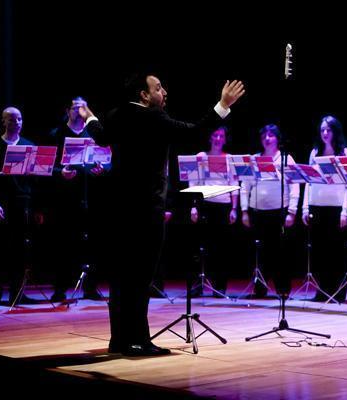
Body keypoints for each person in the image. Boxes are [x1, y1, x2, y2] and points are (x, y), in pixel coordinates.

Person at [85, 73, 244, 356]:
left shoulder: (117, 114)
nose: (164, 92)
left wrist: (89, 118)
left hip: (118, 210)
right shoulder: (153, 118)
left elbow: (101, 136)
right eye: (158, 88)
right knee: (141, 277)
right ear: (144, 95)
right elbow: (194, 133)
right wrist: (223, 105)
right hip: (146, 210)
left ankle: (119, 340)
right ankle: (138, 341)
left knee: (121, 277)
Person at [47, 97, 107, 302]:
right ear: (67, 111)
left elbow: (106, 160)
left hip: (91, 195)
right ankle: (60, 288)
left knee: (93, 243)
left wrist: (102, 169)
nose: (79, 111)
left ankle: (91, 287)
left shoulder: (93, 132)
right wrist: (60, 173)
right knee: (64, 243)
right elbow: (47, 165)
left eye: (83, 108)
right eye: (75, 108)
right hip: (65, 197)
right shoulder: (57, 134)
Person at [240, 124, 299, 296]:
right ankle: (260, 289)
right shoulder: (254, 159)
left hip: (279, 211)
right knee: (260, 252)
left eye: (271, 135)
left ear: (277, 139)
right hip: (257, 212)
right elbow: (245, 186)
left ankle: (283, 290)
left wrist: (292, 212)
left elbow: (294, 185)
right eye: (264, 136)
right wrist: (244, 211)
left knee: (280, 252)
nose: (267, 138)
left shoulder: (286, 158)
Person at [302, 115, 347, 303]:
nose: (325, 133)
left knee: (336, 252)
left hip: (337, 209)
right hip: (317, 207)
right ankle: (322, 291)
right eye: (322, 130)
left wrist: (346, 210)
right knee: (319, 252)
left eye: (328, 130)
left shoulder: (345, 153)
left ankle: (338, 293)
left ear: (335, 131)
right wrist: (305, 207)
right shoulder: (315, 153)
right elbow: (308, 181)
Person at [0, 107, 42, 306]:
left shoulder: (28, 145)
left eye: (19, 119)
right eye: (12, 120)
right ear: (3, 122)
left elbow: (36, 180)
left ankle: (18, 293)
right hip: (2, 204)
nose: (17, 123)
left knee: (21, 251)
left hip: (23, 203)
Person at [189, 126, 238, 296]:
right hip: (205, 205)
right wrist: (194, 206)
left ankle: (220, 286)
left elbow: (234, 184)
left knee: (221, 249)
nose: (218, 138)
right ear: (210, 137)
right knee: (201, 247)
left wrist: (234, 208)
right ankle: (198, 284)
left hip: (223, 206)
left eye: (221, 136)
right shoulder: (201, 156)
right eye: (215, 135)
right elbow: (193, 183)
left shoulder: (229, 159)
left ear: (225, 139)